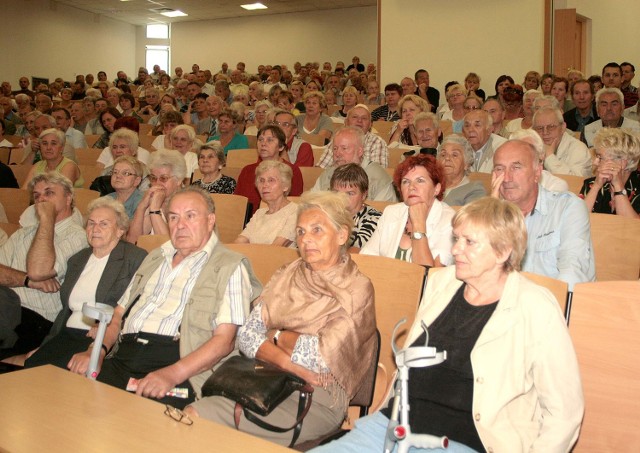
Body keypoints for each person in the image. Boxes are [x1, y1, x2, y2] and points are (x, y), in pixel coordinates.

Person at [315, 196, 584, 453]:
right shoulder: (441, 283)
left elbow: (564, 412)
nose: (456, 249)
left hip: (463, 441)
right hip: (393, 427)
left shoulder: (535, 306)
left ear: (503, 251)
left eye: (469, 242)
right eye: (456, 239)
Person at [186, 191, 376, 447]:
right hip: (263, 378)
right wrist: (291, 362)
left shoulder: (356, 288)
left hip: (317, 396)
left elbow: (322, 357)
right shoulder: (287, 274)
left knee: (202, 418)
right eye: (300, 232)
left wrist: (274, 335)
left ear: (342, 235)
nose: (306, 239)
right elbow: (246, 336)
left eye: (317, 230)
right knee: (195, 416)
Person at [67, 187, 262, 409]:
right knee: (77, 405)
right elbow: (118, 314)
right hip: (124, 355)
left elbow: (224, 341)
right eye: (173, 217)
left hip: (178, 360)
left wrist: (172, 374)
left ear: (210, 221)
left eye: (190, 216)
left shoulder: (230, 266)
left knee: (145, 424)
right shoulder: (154, 258)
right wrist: (96, 351)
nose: (180, 225)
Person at [24, 198, 147, 369]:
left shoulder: (134, 258)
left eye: (103, 224)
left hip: (99, 337)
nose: (95, 229)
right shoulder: (77, 259)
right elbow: (65, 311)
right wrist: (46, 345)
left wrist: (108, 326)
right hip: (67, 334)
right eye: (91, 223)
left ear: (120, 230)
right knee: (32, 367)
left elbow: (137, 303)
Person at [0, 173, 87, 357]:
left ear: (68, 198)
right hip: (5, 307)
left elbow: (39, 272)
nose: (41, 199)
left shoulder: (78, 236)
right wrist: (26, 281)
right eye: (37, 195)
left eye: (49, 193)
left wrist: (47, 218)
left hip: (35, 319)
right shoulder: (22, 234)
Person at [491, 140, 595, 290]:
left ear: (537, 173)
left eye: (516, 167)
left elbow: (572, 272)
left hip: (554, 304)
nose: (506, 178)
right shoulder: (493, 215)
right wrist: (491, 215)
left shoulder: (568, 208)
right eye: (500, 169)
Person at [361, 154, 455, 266]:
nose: (411, 187)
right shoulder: (391, 212)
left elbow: (429, 273)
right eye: (405, 181)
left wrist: (419, 225)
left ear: (437, 189)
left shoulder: (449, 220)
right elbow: (367, 256)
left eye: (420, 180)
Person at [312, 127, 396, 202]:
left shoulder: (378, 176)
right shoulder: (328, 174)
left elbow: (382, 212)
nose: (337, 154)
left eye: (344, 148)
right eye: (335, 148)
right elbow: (311, 203)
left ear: (360, 151)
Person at [235, 125, 304, 216]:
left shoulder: (291, 171)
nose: (263, 143)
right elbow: (238, 202)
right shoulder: (247, 170)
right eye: (260, 139)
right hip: (249, 221)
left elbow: (294, 203)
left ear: (281, 147)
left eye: (270, 140)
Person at [127, 149, 186, 243]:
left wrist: (155, 210)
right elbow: (133, 242)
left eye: (163, 178)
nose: (157, 183)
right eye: (153, 178)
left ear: (179, 179)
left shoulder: (189, 203)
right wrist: (142, 207)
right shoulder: (153, 199)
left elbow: (170, 247)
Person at [234, 160, 297, 248]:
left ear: (285, 186)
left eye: (271, 180)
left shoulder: (296, 212)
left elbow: (276, 248)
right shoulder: (259, 213)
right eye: (261, 180)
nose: (265, 185)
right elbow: (239, 243)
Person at [580, 128, 640, 218]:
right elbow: (576, 219)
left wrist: (619, 188)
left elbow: (632, 228)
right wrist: (596, 187)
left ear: (622, 163)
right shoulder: (591, 184)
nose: (595, 162)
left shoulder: (637, 186)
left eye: (600, 157)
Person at [317, 104, 388, 168]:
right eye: (355, 117)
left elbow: (377, 175)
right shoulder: (337, 140)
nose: (359, 120)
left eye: (364, 118)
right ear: (346, 122)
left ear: (370, 125)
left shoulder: (377, 142)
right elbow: (321, 168)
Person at [330, 163, 381, 250]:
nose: (342, 198)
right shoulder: (324, 214)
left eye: (350, 193)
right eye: (336, 193)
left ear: (364, 195)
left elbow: (356, 252)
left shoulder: (374, 218)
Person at [531, 106, 591, 176]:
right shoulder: (530, 147)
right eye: (540, 128)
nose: (545, 132)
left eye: (551, 127)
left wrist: (549, 157)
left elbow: (574, 181)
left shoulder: (578, 149)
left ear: (563, 127)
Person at [438, 134, 486, 206]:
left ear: (466, 164)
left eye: (454, 155)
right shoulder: (431, 186)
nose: (447, 158)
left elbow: (470, 215)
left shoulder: (474, 190)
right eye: (443, 154)